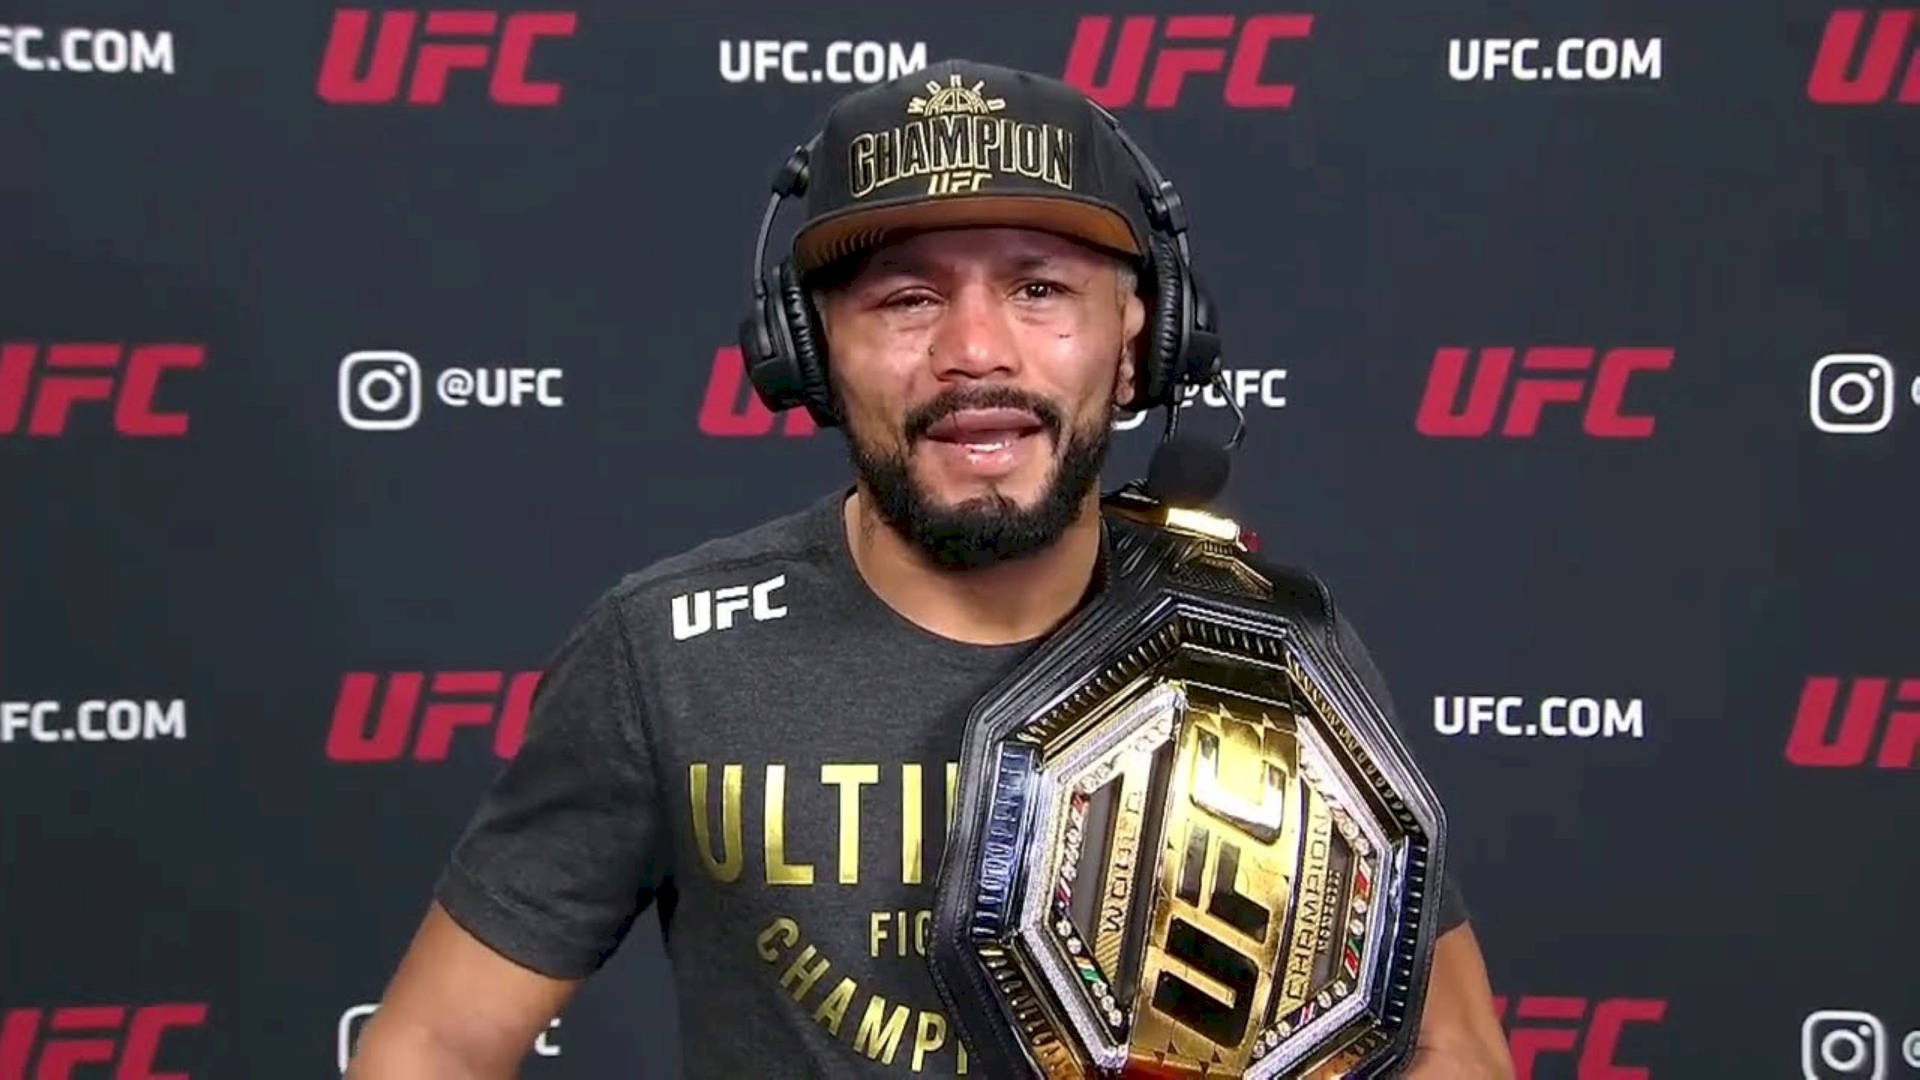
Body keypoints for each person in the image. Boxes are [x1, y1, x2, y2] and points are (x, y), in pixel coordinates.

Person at [347, 59, 1512, 1079]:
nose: (973, 352)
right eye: (907, 300)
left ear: (1139, 347)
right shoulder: (667, 655)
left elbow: (1451, 1050)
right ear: (811, 356)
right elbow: (434, 1046)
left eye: (1040, 289)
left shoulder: (1263, 647)